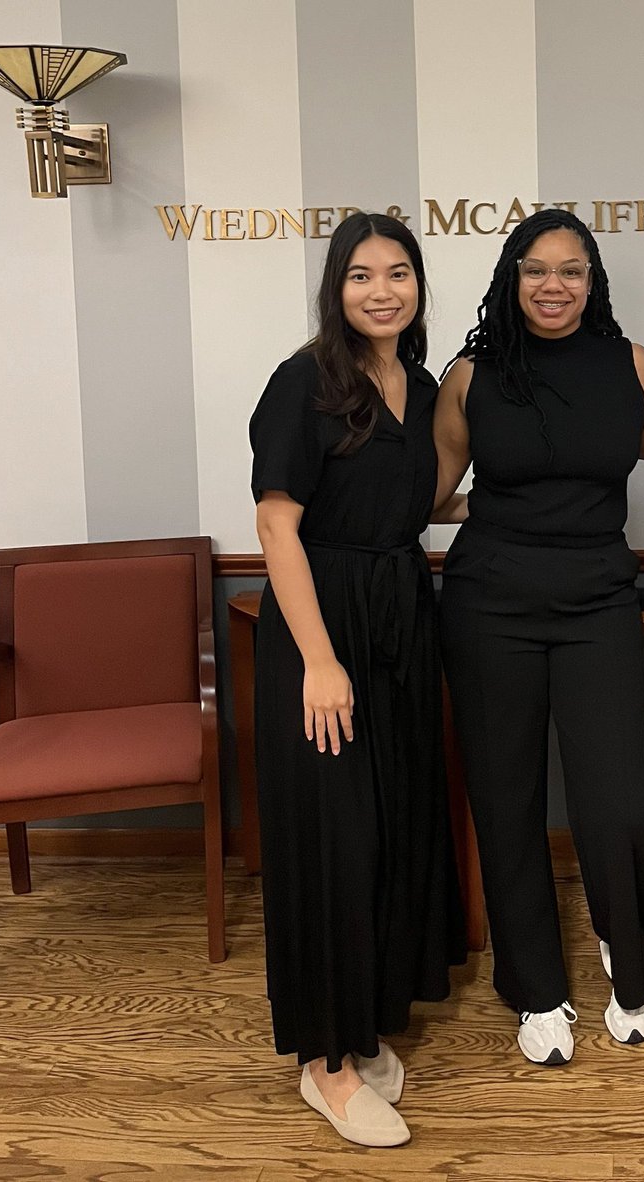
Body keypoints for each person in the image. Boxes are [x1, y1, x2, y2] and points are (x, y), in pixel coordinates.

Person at [433, 208, 644, 1066]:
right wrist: (489, 508)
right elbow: (430, 493)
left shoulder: (634, 369)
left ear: (592, 280)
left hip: (596, 602)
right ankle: (534, 985)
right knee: (505, 803)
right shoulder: (471, 376)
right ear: (512, 276)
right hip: (487, 604)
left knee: (615, 797)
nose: (553, 285)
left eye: (571, 270)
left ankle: (627, 946)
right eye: (536, 269)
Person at [249, 211, 466, 1147]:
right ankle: (325, 1066)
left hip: (400, 617)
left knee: (389, 827)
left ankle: (364, 1017)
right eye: (362, 275)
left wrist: (518, 489)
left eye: (400, 273)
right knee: (334, 845)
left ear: (418, 286)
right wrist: (320, 660)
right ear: (335, 289)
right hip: (322, 626)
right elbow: (276, 526)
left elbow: (408, 502)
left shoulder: (416, 385)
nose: (383, 290)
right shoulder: (303, 383)